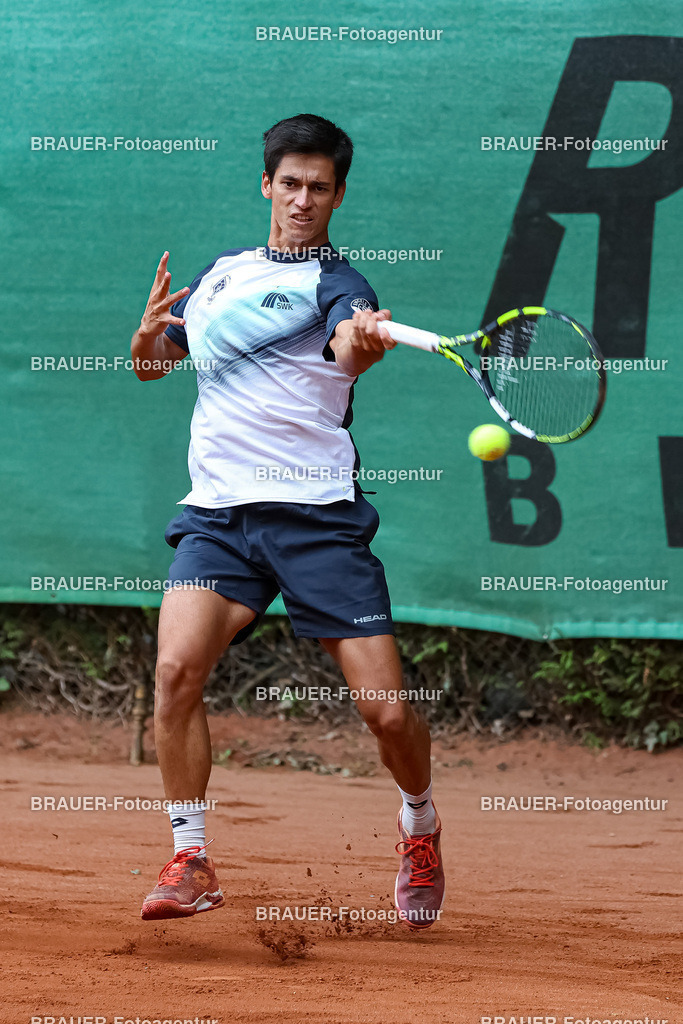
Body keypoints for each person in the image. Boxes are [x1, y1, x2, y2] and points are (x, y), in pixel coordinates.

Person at [130, 113, 444, 930]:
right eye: (291, 184)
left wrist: (362, 342)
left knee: (386, 712)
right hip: (218, 517)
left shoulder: (342, 287)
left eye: (320, 188)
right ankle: (190, 859)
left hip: (316, 521)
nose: (303, 200)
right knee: (175, 672)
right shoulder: (220, 275)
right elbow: (154, 364)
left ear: (338, 196)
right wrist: (145, 339)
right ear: (266, 184)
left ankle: (418, 821)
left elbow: (346, 348)